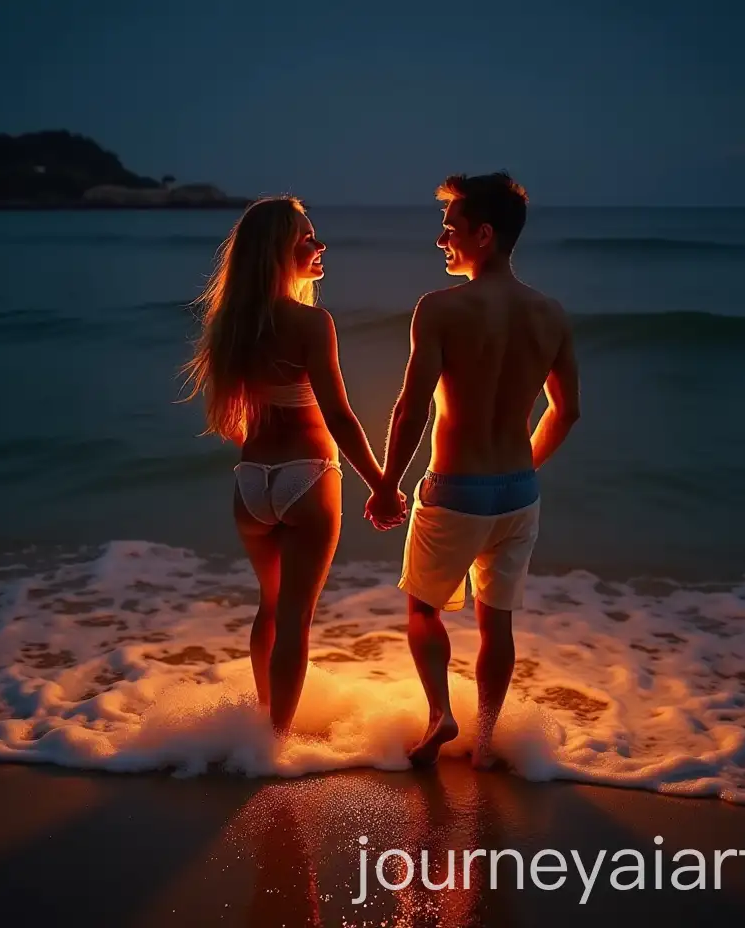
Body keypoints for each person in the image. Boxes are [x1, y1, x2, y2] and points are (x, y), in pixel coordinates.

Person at [365, 172, 581, 769]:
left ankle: (441, 714)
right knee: (498, 621)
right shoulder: (551, 314)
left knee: (423, 610)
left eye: (451, 229)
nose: (442, 240)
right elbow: (568, 413)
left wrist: (386, 484)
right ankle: (485, 745)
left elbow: (411, 408)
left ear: (484, 235)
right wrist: (523, 467)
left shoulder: (440, 310)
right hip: (519, 494)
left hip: (455, 491)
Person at [181, 196, 405, 735]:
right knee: (296, 621)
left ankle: (263, 727)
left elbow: (235, 416)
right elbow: (341, 418)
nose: (319, 245)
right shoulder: (311, 322)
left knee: (270, 608)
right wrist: (382, 484)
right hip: (307, 475)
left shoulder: (231, 326)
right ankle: (275, 744)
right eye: (307, 238)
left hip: (251, 483)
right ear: (280, 251)